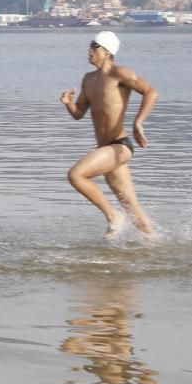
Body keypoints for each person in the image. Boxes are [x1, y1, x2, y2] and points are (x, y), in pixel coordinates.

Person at [60, 31, 158, 239]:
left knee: (76, 175)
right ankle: (156, 245)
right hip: (106, 148)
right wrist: (68, 102)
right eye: (90, 45)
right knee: (131, 206)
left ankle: (113, 216)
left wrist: (138, 122)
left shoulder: (119, 73)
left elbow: (151, 92)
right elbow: (79, 114)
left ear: (107, 51)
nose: (90, 50)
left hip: (119, 146)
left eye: (94, 46)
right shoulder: (88, 79)